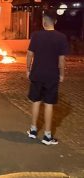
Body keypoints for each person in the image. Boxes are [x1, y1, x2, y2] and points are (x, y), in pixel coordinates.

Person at [26, 9, 69, 145]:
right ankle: (47, 136)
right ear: (55, 21)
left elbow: (29, 54)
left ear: (44, 22)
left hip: (37, 73)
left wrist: (28, 70)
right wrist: (61, 74)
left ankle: (33, 131)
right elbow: (61, 60)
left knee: (36, 101)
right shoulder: (61, 37)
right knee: (49, 104)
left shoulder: (36, 35)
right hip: (52, 75)